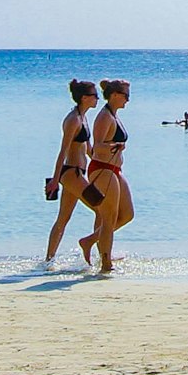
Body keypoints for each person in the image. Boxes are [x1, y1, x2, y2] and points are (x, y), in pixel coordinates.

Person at [40, 80, 98, 268]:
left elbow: (89, 151)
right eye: (94, 95)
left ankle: (48, 261)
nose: (97, 98)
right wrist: (55, 180)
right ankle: (99, 253)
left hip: (79, 172)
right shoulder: (73, 119)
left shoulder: (83, 118)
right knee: (102, 209)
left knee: (63, 218)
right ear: (84, 98)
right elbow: (63, 151)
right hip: (71, 173)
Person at [79, 78, 133, 274]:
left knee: (127, 215)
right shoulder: (104, 117)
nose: (128, 99)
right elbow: (96, 148)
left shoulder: (114, 115)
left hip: (115, 170)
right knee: (108, 218)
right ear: (115, 95)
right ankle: (106, 264)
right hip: (102, 169)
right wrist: (114, 146)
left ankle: (89, 240)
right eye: (126, 95)